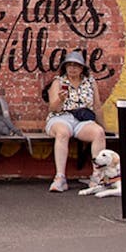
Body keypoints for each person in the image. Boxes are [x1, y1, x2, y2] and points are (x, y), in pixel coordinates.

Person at [44, 49, 106, 193]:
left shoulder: (90, 82)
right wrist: (60, 99)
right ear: (65, 67)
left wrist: (103, 127)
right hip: (61, 117)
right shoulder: (58, 82)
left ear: (82, 68)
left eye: (76, 65)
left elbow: (97, 105)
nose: (72, 68)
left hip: (83, 119)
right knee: (63, 132)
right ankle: (60, 178)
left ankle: (97, 176)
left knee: (98, 133)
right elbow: (52, 108)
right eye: (69, 65)